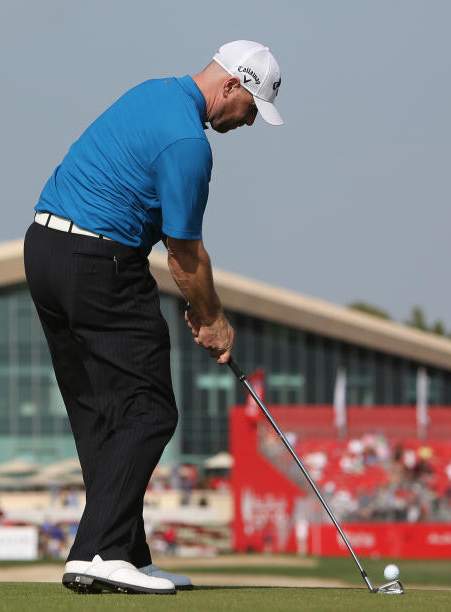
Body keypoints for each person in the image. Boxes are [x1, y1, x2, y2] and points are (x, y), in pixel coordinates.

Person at [24, 40, 283, 595]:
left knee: (103, 415)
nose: (249, 122)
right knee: (150, 411)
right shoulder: (190, 144)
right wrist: (213, 319)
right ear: (232, 86)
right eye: (252, 109)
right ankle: (95, 552)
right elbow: (185, 256)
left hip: (44, 249)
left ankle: (124, 553)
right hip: (100, 262)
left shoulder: (154, 91)